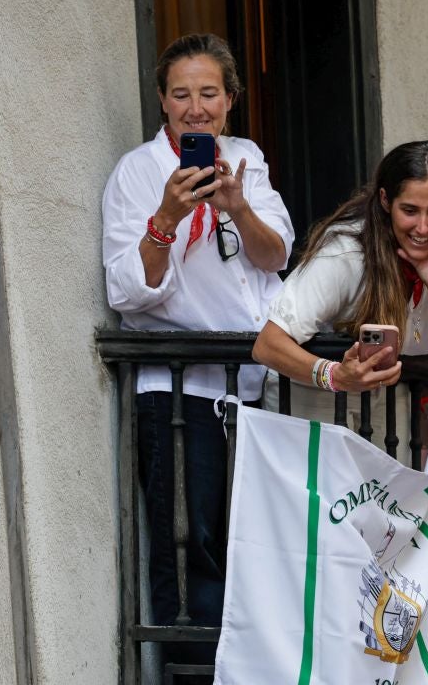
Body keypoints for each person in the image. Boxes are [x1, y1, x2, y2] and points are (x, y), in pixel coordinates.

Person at [102, 33, 294, 646]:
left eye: (208, 93)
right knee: (191, 547)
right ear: (162, 100)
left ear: (230, 99)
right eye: (180, 94)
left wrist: (238, 208)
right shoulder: (139, 172)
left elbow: (276, 253)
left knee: (250, 541)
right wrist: (166, 219)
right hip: (179, 391)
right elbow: (129, 291)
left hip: (247, 386)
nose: (195, 107)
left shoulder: (245, 157)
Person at [252, 140, 428, 394]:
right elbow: (267, 345)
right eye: (409, 210)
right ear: (385, 200)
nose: (422, 227)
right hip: (311, 393)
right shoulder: (346, 249)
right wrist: (335, 376)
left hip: (388, 393)